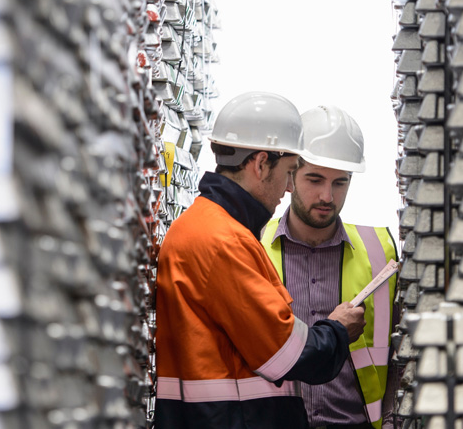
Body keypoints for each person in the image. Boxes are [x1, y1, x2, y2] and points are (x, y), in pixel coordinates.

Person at [155, 92, 368, 429]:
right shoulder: (222, 239)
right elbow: (288, 355)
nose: (287, 189)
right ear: (260, 163)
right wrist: (339, 330)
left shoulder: (210, 227)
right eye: (289, 173)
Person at [260, 105, 400, 429]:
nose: (327, 196)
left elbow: (399, 352)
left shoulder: (382, 250)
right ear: (290, 175)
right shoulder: (253, 247)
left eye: (340, 183)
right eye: (315, 179)